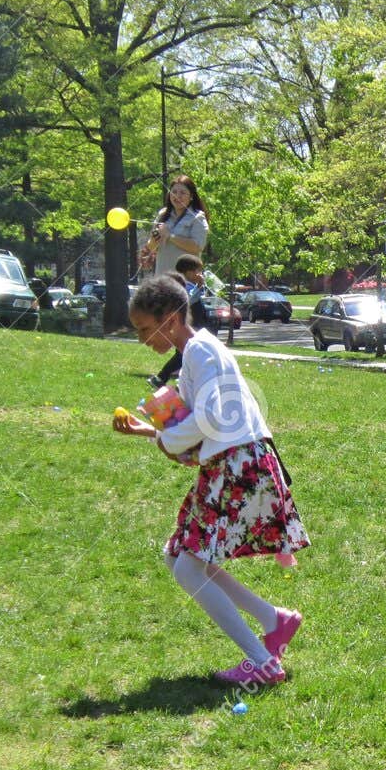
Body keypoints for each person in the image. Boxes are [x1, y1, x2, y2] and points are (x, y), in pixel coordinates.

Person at [112, 275, 309, 688]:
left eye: (146, 329)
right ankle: (276, 621)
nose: (144, 339)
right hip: (230, 462)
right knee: (179, 556)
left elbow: (211, 419)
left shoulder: (201, 351)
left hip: (239, 465)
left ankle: (262, 661)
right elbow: (199, 427)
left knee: (187, 566)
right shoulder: (193, 358)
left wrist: (167, 439)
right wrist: (151, 433)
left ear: (169, 319)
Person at [147, 255, 213, 387]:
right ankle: (161, 378)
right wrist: (199, 287)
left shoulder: (191, 286)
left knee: (188, 355)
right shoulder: (184, 287)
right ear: (188, 272)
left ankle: (181, 382)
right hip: (188, 326)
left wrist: (202, 287)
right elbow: (188, 301)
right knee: (184, 354)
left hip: (195, 326)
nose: (199, 274)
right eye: (197, 271)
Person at [144, 175, 209, 278]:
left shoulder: (198, 217)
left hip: (185, 282)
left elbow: (197, 246)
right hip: (162, 279)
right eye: (174, 192)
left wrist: (170, 236)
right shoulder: (163, 215)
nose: (177, 196)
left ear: (191, 196)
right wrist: (155, 237)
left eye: (182, 193)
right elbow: (151, 247)